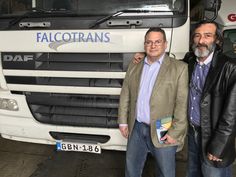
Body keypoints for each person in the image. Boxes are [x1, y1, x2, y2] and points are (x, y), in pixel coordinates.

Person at [118, 27, 188, 177]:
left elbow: (182, 104)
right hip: (136, 127)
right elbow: (126, 94)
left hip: (163, 129)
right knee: (131, 170)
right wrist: (123, 122)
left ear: (165, 44)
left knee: (165, 173)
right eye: (149, 42)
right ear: (144, 45)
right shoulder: (135, 65)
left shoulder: (180, 68)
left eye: (157, 42)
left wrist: (175, 132)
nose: (153, 45)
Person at [183, 20, 236, 177]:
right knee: (193, 172)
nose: (201, 41)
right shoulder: (190, 61)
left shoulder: (230, 68)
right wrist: (145, 55)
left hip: (214, 136)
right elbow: (168, 65)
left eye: (207, 36)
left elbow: (232, 115)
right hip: (193, 132)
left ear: (217, 40)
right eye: (197, 36)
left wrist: (219, 146)